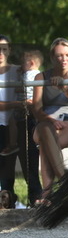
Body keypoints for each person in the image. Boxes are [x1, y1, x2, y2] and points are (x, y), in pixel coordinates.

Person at [32, 38, 68, 205]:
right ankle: (66, 185)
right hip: (46, 123)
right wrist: (50, 120)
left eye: (67, 55)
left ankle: (47, 194)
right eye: (60, 55)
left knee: (45, 143)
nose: (64, 59)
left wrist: (63, 86)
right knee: (45, 130)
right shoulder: (41, 77)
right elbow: (36, 109)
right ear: (52, 57)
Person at [2, 50, 44, 206]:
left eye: (23, 61)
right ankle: (12, 199)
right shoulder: (27, 73)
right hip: (19, 113)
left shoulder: (32, 75)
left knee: (30, 161)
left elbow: (28, 90)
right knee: (9, 169)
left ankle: (35, 196)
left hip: (27, 114)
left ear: (31, 63)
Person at [0, 34, 21, 201]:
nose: (0, 53)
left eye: (4, 49)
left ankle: (7, 201)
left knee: (8, 168)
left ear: (9, 51)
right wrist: (16, 104)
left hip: (12, 125)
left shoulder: (17, 70)